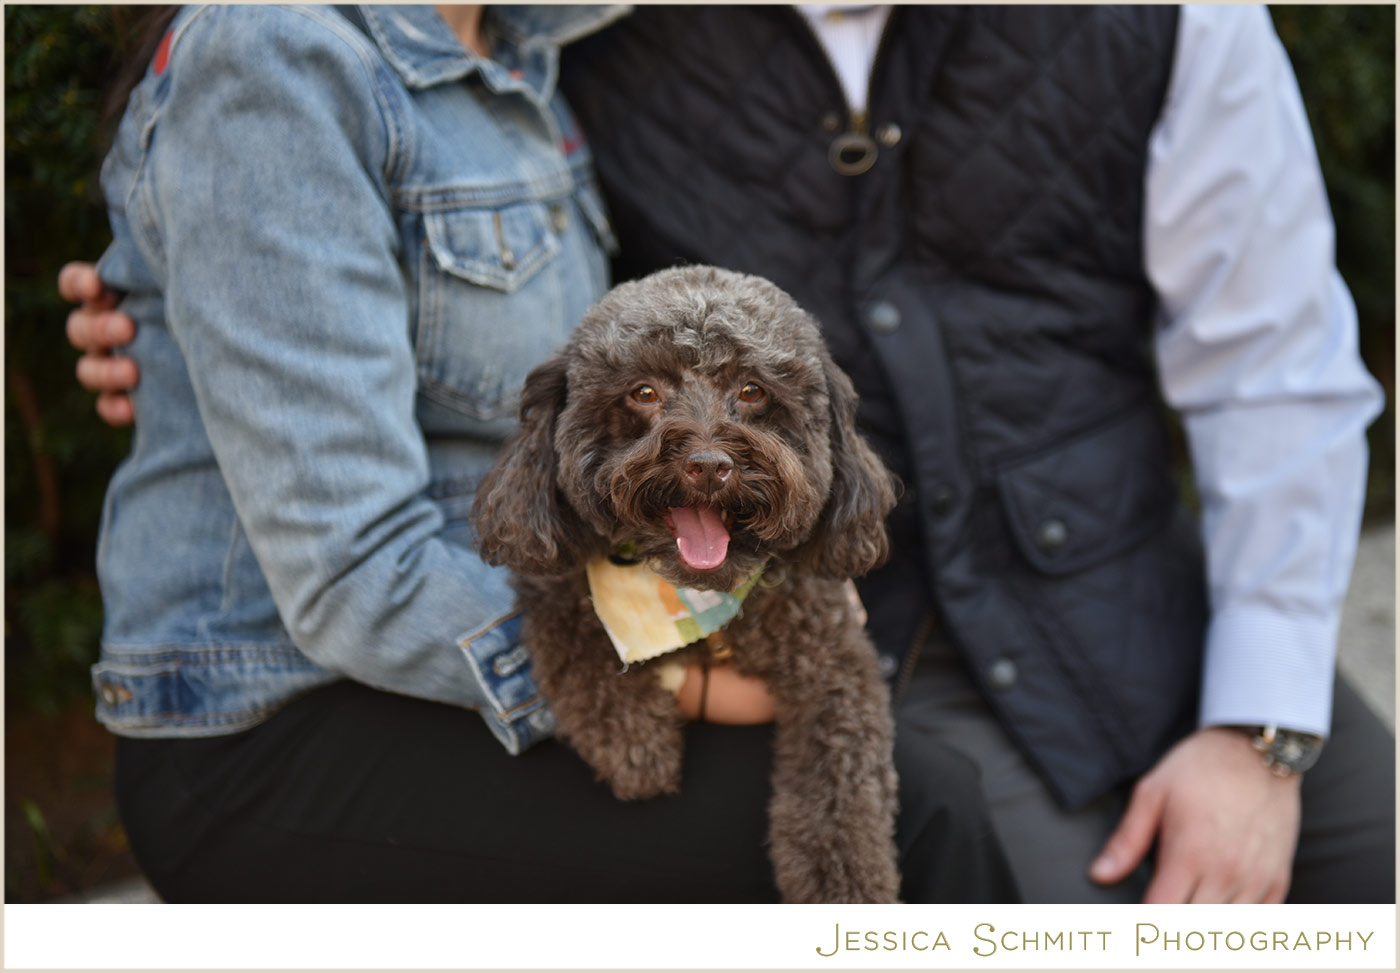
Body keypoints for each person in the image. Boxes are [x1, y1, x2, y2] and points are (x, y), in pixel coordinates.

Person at [66, 5, 1394, 904]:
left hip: (1108, 597)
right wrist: (177, 318)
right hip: (812, 627)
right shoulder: (596, 39)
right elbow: (351, 477)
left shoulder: (537, 45)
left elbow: (1274, 371)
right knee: (953, 843)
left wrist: (1256, 725)